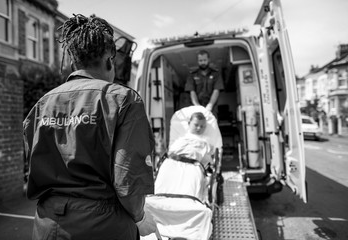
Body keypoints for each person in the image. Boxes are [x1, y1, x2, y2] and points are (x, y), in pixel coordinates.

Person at [23, 14, 156, 240]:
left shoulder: (42, 104)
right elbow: (127, 179)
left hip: (47, 225)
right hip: (104, 226)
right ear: (109, 60)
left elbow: (33, 162)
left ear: (73, 61)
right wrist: (141, 217)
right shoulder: (123, 100)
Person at [155, 112, 214, 202]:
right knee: (163, 186)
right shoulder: (180, 139)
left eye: (202, 126)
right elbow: (170, 152)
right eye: (196, 125)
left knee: (190, 190)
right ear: (189, 123)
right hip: (171, 164)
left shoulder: (206, 142)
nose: (199, 128)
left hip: (193, 166)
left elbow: (207, 162)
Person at [184, 50, 224, 116]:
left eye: (204, 60)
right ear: (197, 61)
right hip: (196, 109)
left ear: (208, 60)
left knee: (212, 125)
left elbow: (216, 90)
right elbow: (192, 92)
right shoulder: (192, 75)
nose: (203, 62)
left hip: (212, 108)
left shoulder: (216, 74)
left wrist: (210, 105)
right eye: (200, 60)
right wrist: (197, 106)